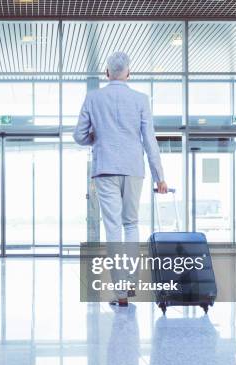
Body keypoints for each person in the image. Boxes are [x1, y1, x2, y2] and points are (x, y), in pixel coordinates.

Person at [73, 51, 167, 307]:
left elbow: (79, 135)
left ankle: (120, 292)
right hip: (134, 169)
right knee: (132, 224)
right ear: (129, 73)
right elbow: (149, 139)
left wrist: (97, 138)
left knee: (113, 227)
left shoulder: (93, 98)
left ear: (106, 73)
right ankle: (131, 283)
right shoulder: (140, 99)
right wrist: (160, 176)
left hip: (105, 169)